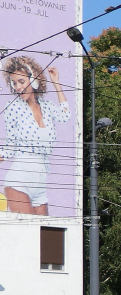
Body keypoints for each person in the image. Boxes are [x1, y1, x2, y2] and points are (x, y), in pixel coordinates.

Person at [2, 56, 70, 216]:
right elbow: (9, 148)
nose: (18, 87)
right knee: (27, 235)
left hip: (40, 184)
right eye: (14, 83)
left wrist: (56, 83)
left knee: (44, 237)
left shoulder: (47, 106)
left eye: (22, 81)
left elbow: (65, 116)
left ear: (33, 80)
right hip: (19, 181)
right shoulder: (13, 108)